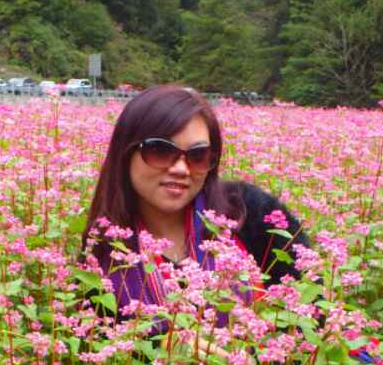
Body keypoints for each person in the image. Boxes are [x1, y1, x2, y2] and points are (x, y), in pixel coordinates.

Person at [81, 85, 310, 322]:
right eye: (160, 150)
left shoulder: (252, 213)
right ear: (125, 154)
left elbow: (310, 318)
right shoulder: (104, 254)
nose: (181, 169)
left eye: (197, 156)